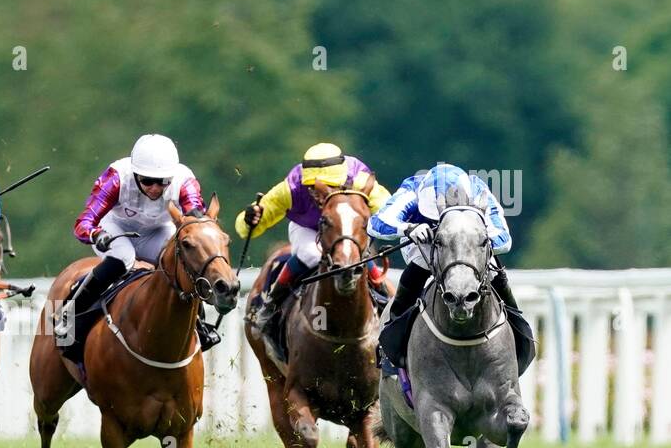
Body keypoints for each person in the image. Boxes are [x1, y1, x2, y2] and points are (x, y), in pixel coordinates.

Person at [54, 134, 216, 353]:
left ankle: (199, 323)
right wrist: (96, 235)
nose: (156, 188)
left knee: (181, 258)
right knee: (124, 258)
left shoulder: (185, 181)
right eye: (147, 181)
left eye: (163, 181)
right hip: (116, 229)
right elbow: (83, 223)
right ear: (135, 174)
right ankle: (69, 312)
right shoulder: (116, 178)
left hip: (157, 231)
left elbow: (196, 216)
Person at [239, 142, 391, 333]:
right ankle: (271, 304)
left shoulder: (359, 180)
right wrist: (250, 219)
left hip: (344, 228)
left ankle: (386, 299)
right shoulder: (291, 188)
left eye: (329, 186)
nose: (317, 192)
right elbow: (250, 224)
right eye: (311, 186)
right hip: (306, 229)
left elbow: (390, 208)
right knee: (311, 253)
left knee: (353, 253)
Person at [367, 162, 522, 332]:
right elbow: (376, 223)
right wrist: (408, 228)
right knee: (420, 263)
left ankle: (518, 327)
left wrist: (471, 241)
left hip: (471, 245)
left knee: (493, 269)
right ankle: (394, 329)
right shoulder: (413, 190)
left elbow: (503, 239)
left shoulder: (477, 192)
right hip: (426, 241)